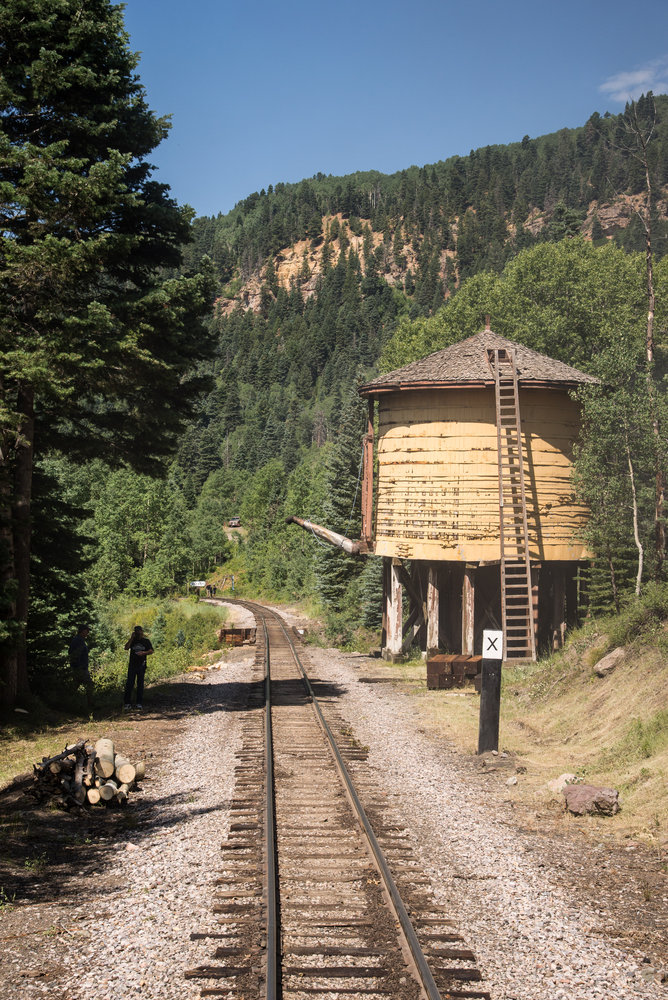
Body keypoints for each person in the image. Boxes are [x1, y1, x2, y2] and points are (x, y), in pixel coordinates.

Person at [123, 625, 153, 711]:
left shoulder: (146, 641)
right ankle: (127, 703)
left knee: (140, 684)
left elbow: (151, 651)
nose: (138, 634)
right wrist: (131, 638)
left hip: (141, 665)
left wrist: (143, 653)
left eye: (139, 632)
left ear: (142, 632)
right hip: (132, 665)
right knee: (129, 684)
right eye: (136, 632)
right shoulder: (132, 641)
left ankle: (139, 703)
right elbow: (126, 647)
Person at [68, 624, 94, 708]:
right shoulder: (77, 640)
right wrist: (78, 666)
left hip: (80, 668)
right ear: (82, 631)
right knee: (89, 684)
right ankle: (90, 705)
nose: (88, 633)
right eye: (87, 631)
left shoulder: (80, 640)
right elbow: (73, 654)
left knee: (75, 685)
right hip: (80, 668)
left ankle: (67, 702)